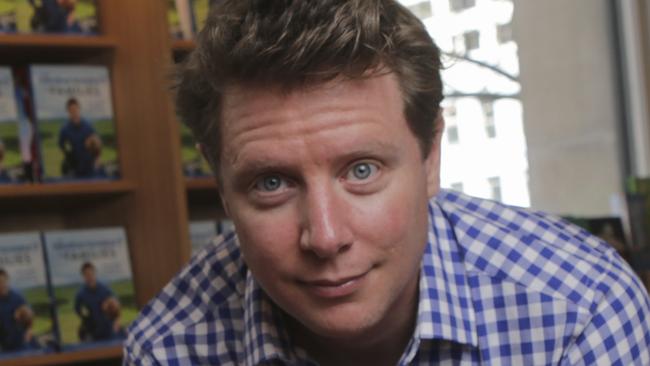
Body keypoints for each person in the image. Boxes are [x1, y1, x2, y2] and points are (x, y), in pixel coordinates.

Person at [125, 1, 650, 365]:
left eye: (361, 171)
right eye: (271, 183)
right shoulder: (171, 348)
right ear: (221, 186)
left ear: (430, 160)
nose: (326, 237)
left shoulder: (579, 307)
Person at [74, 262, 122, 342]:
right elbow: (78, 310)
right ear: (83, 276)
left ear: (94, 273)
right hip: (92, 332)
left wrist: (116, 322)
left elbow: (117, 306)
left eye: (91, 273)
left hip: (108, 330)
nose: (89, 276)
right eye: (86, 274)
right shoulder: (81, 294)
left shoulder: (105, 289)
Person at [58, 98, 99, 178]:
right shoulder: (64, 129)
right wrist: (68, 155)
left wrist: (97, 159)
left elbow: (97, 143)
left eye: (75, 109)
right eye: (71, 110)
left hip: (89, 167)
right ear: (68, 111)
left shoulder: (88, 126)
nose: (74, 112)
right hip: (74, 168)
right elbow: (61, 145)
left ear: (79, 109)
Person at [0, 269, 34, 352]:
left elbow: (29, 316)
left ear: (7, 280)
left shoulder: (17, 297)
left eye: (3, 281)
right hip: (4, 345)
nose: (2, 284)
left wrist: (29, 330)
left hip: (21, 344)